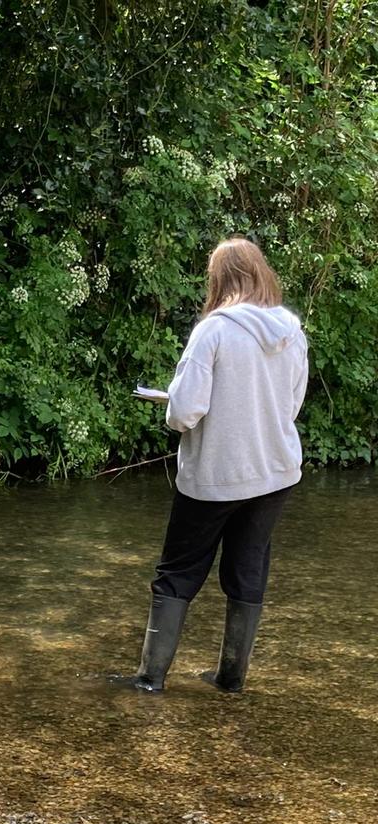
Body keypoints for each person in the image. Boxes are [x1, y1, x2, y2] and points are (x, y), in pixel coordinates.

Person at [115, 237, 309, 694]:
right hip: (275, 471)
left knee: (177, 573)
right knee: (248, 569)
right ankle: (231, 679)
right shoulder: (292, 332)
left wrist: (170, 402)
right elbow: (292, 404)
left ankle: (149, 680)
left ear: (218, 279)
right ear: (261, 273)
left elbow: (185, 413)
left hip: (216, 474)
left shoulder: (213, 330)